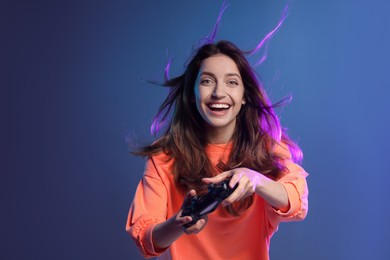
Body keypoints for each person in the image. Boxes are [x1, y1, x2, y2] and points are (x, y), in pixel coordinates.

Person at [126, 40, 309, 260]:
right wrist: (179, 223)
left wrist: (256, 180)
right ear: (193, 94)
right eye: (206, 81)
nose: (218, 92)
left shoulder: (268, 150)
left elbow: (297, 200)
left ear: (244, 96)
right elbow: (146, 237)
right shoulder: (163, 157)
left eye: (231, 82)